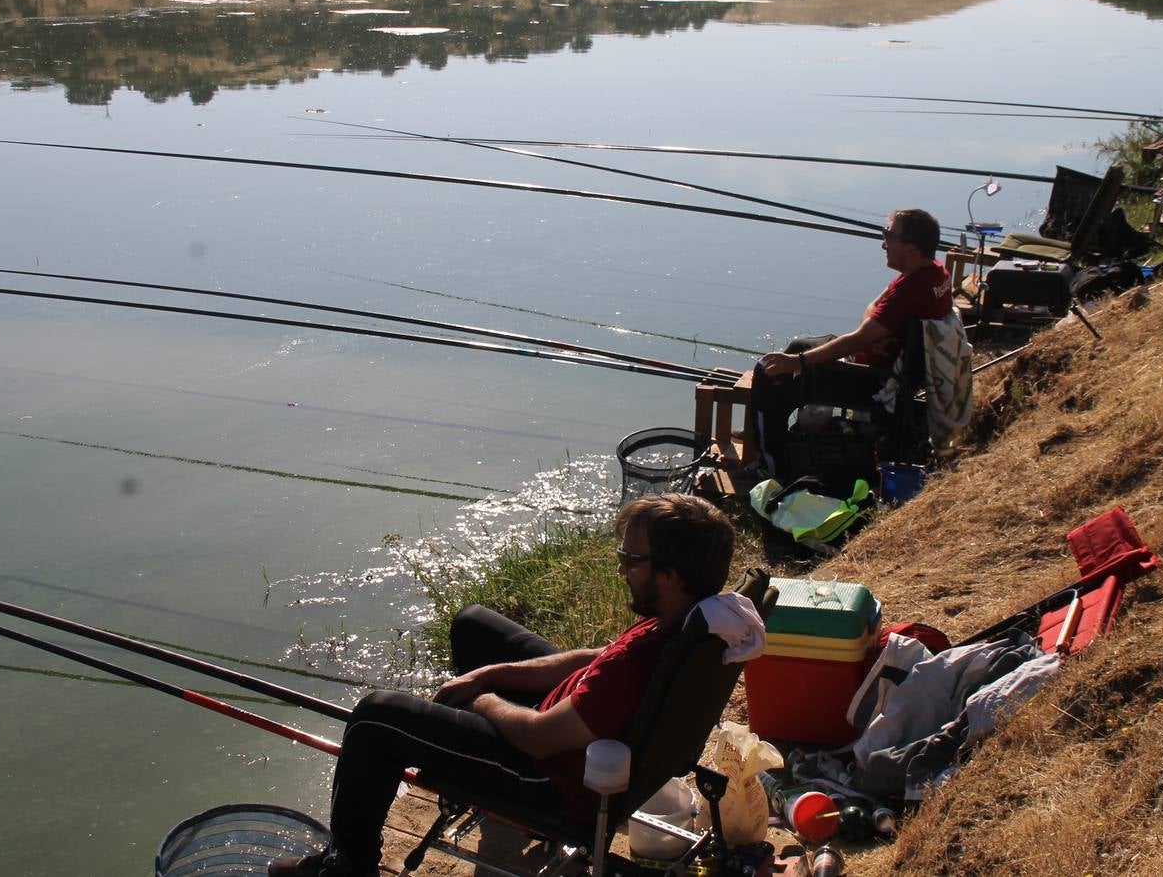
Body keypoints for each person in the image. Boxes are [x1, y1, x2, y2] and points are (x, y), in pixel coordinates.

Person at [269, 493, 737, 877]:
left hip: (546, 777)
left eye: (630, 560)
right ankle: (473, 784)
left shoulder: (637, 666)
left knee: (375, 718)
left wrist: (483, 698)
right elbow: (599, 658)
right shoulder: (685, 620)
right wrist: (492, 672)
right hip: (573, 732)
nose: (620, 571)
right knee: (474, 624)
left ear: (669, 575)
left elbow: (539, 737)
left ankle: (345, 868)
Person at [742, 208, 953, 477]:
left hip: (869, 381)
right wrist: (869, 329)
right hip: (883, 365)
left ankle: (770, 465)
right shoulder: (935, 273)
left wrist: (797, 363)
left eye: (889, 235)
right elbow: (871, 314)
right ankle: (766, 429)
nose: (883, 243)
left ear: (911, 249)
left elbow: (859, 337)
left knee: (767, 372)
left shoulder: (909, 291)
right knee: (797, 344)